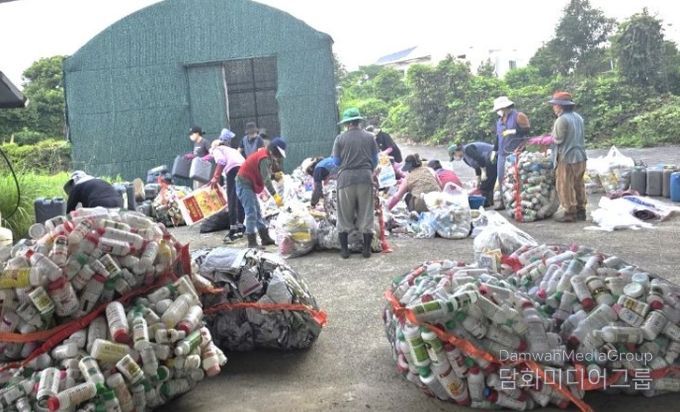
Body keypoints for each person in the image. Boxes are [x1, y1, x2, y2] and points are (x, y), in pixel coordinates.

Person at [332, 108, 378, 259]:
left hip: (345, 180)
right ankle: (366, 249)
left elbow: (336, 161)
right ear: (359, 121)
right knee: (366, 213)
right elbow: (375, 160)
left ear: (346, 124)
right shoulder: (370, 137)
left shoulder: (340, 139)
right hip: (365, 178)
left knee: (344, 215)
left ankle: (345, 250)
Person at [236, 137, 287, 248]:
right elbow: (266, 180)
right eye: (278, 154)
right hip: (244, 183)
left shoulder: (266, 155)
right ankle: (252, 242)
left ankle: (265, 238)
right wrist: (275, 196)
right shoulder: (264, 157)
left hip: (248, 183)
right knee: (251, 213)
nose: (278, 157)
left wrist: (273, 176)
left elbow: (263, 173)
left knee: (257, 211)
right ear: (274, 150)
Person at [549, 91, 587, 223]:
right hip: (581, 155)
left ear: (560, 106)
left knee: (564, 185)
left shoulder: (562, 120)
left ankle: (569, 212)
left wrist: (546, 139)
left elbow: (558, 139)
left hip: (567, 157)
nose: (553, 108)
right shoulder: (578, 117)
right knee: (578, 183)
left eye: (555, 105)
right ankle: (581, 209)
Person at [492, 96, 530, 209]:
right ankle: (504, 201)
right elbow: (498, 137)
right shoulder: (499, 120)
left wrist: (512, 131)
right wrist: (494, 150)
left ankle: (518, 202)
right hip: (502, 153)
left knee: (515, 177)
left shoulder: (518, 116)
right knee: (501, 177)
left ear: (505, 106)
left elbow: (527, 130)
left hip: (516, 151)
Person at [209, 129, 246, 242]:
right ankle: (240, 227)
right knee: (239, 199)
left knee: (231, 200)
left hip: (234, 170)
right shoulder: (231, 150)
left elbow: (221, 161)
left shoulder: (217, 149)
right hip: (244, 169)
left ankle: (233, 230)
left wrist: (215, 177)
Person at [449, 142, 496, 207]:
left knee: (485, 185)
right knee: (485, 184)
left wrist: (484, 172)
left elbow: (480, 159)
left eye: (454, 155)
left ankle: (485, 203)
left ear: (456, 151)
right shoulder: (465, 158)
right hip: (487, 162)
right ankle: (489, 202)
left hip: (492, 157)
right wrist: (478, 180)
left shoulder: (468, 149)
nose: (455, 158)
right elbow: (476, 167)